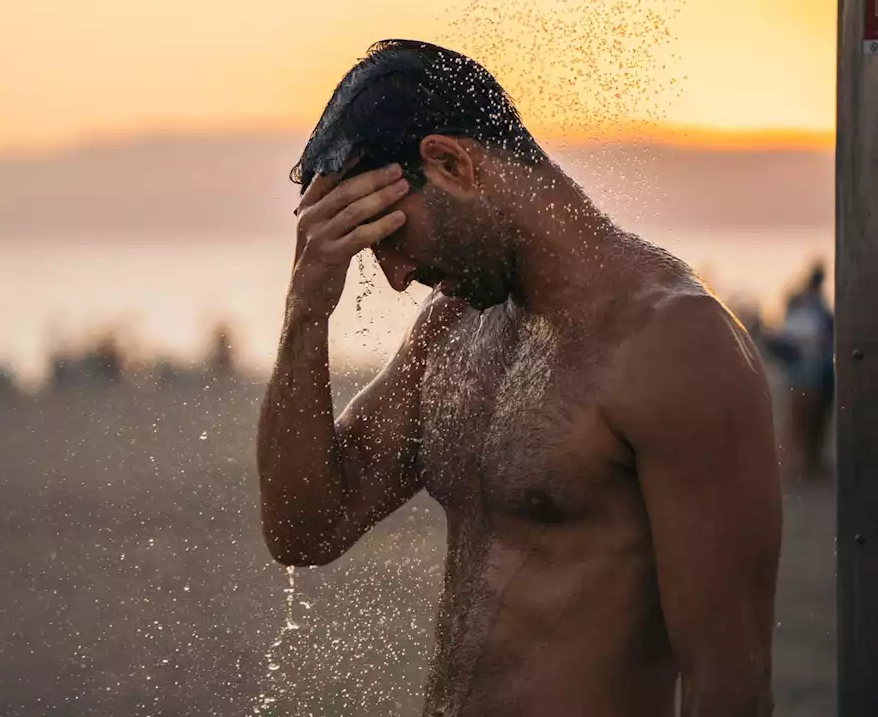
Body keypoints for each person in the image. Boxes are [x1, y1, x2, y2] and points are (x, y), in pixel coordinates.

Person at [257, 40, 780, 717]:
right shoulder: (452, 331)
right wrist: (305, 312)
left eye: (388, 235)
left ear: (451, 163)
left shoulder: (675, 344)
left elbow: (729, 684)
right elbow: (306, 530)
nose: (392, 275)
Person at [778, 260, 834, 479]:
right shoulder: (810, 307)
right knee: (804, 422)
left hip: (811, 375)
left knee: (809, 422)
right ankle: (800, 465)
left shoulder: (811, 305)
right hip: (808, 375)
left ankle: (806, 464)